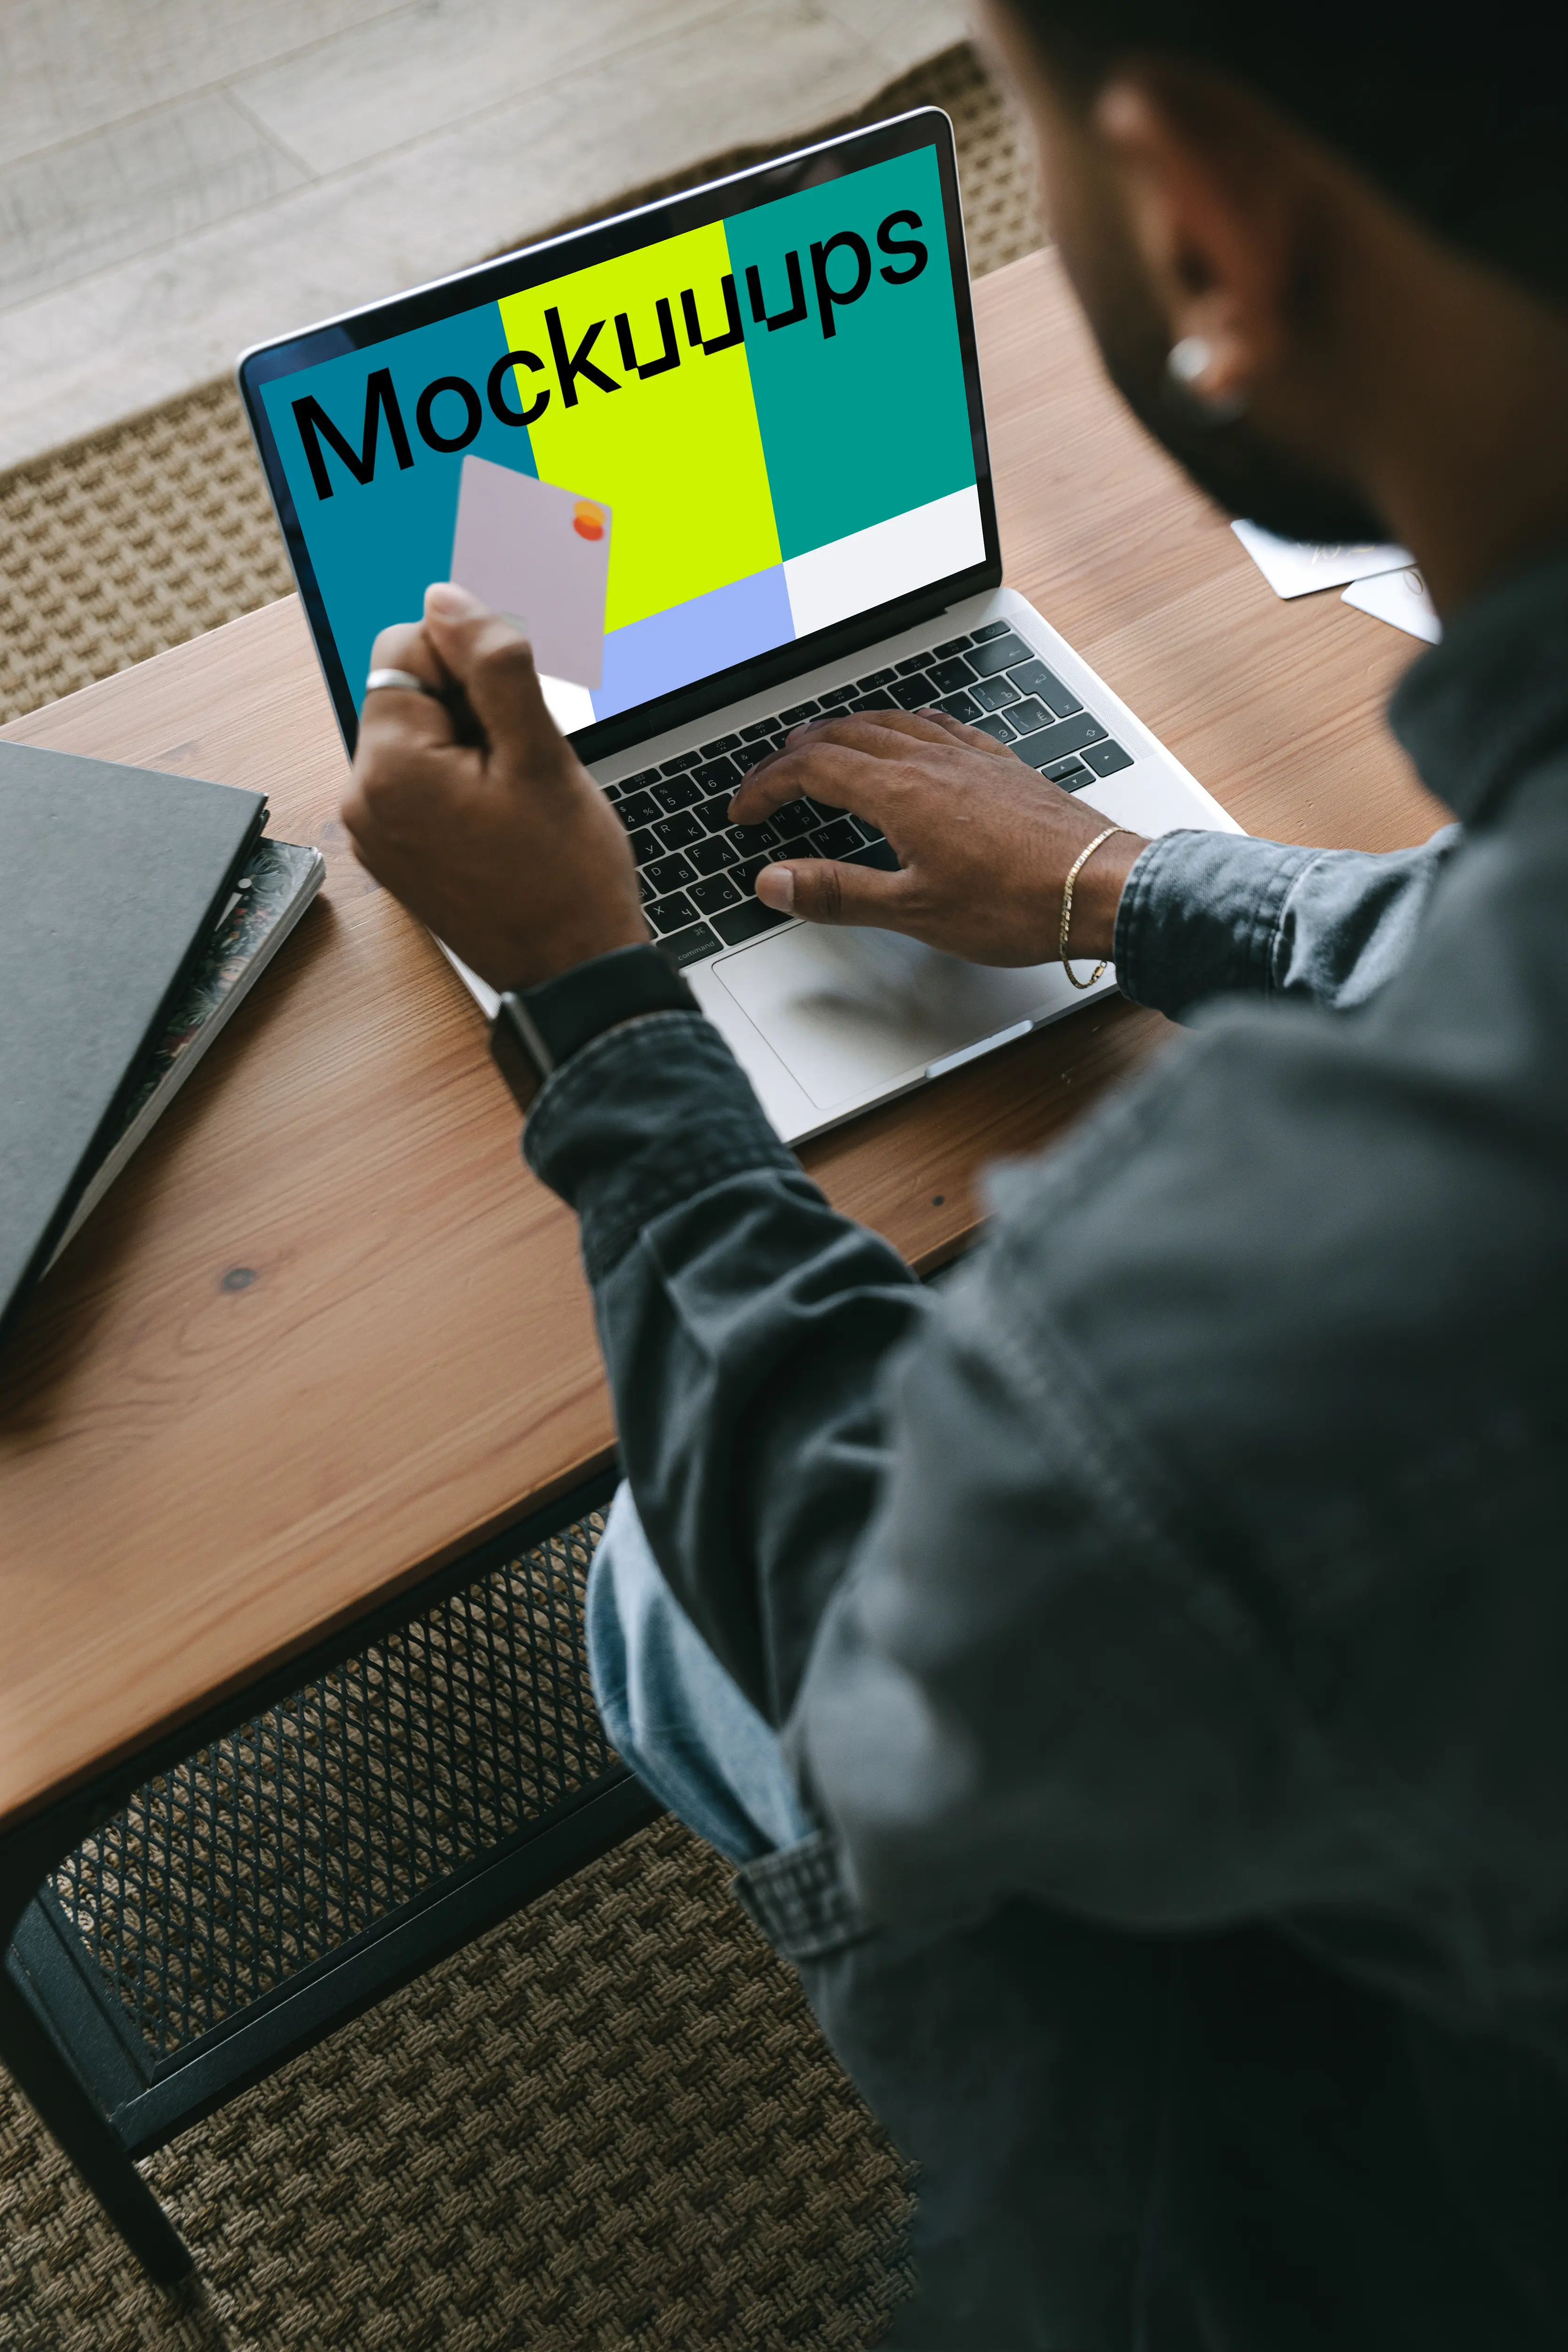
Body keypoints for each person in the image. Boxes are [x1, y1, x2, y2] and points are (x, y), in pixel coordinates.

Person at [340, 1, 1568, 2341]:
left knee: (657, 1584)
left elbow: (877, 1608)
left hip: (1411, 2200)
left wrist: (594, 993)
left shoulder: (1234, 1316)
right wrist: (1117, 878)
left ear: (1208, 223)